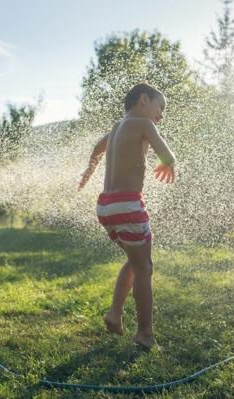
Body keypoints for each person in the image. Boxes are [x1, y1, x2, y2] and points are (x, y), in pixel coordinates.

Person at [78, 83, 176, 349]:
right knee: (145, 267)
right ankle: (145, 334)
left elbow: (98, 148)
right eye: (160, 107)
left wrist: (89, 171)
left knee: (136, 261)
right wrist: (169, 164)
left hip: (106, 207)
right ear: (144, 100)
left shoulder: (117, 127)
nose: (161, 115)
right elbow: (166, 153)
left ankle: (114, 314)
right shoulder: (144, 125)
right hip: (127, 205)